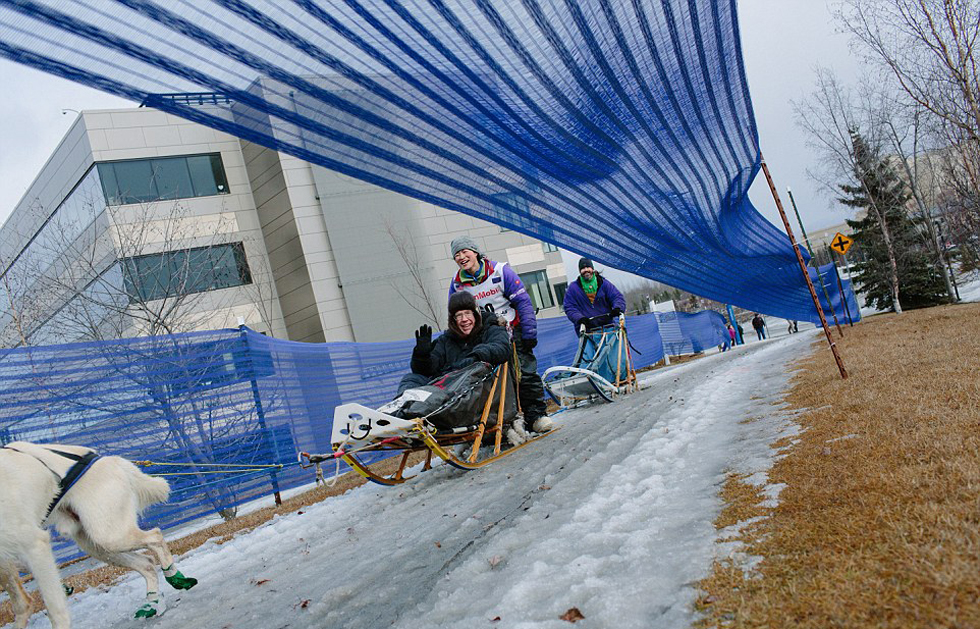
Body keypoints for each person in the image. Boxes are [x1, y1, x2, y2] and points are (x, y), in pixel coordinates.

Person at [448, 236, 553, 434]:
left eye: (465, 252)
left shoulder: (500, 271)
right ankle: (505, 423)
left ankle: (536, 416)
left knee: (525, 374)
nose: (462, 257)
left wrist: (529, 331)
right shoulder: (457, 284)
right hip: (487, 339)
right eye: (457, 255)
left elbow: (523, 301)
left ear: (475, 252)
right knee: (492, 383)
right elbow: (455, 312)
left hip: (513, 333)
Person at [397, 291, 511, 395]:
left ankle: (414, 411)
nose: (464, 319)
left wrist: (476, 357)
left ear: (476, 315)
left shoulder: (491, 329)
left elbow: (501, 348)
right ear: (453, 320)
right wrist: (422, 356)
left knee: (443, 392)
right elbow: (426, 370)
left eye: (467, 313)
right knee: (412, 378)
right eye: (459, 315)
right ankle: (400, 407)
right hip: (445, 385)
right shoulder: (446, 340)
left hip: (474, 390)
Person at [562, 257, 626, 334]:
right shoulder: (573, 288)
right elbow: (569, 307)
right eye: (583, 268)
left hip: (608, 328)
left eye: (588, 267)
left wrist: (617, 308)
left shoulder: (604, 284)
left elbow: (616, 297)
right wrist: (580, 318)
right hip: (588, 331)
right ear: (580, 271)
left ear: (592, 268)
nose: (586, 270)